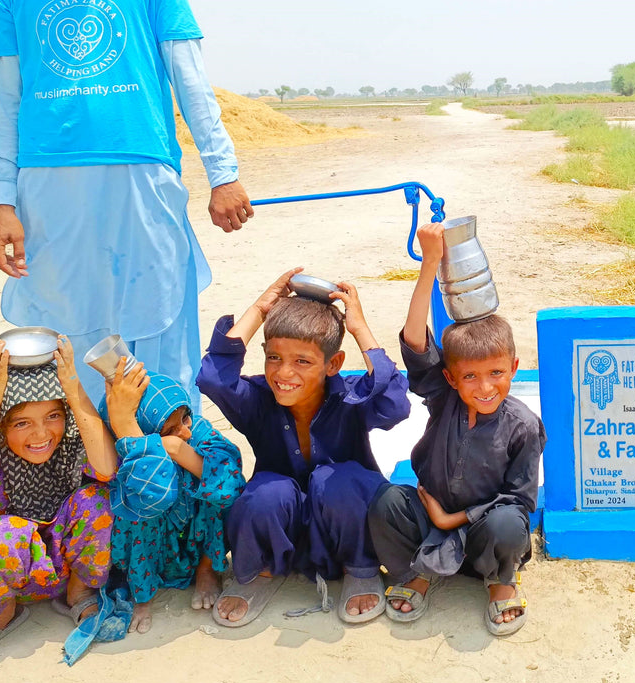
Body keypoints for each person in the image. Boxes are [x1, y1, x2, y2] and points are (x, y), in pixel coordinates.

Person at [0, 0, 252, 407]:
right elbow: (3, 98)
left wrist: (223, 171)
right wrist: (3, 200)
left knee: (157, 325)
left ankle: (169, 481)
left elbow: (189, 77)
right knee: (64, 331)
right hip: (48, 181)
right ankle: (84, 480)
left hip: (143, 173)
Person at [196, 270, 410, 627]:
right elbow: (213, 378)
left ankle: (360, 568)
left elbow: (396, 405)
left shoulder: (351, 394)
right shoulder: (259, 399)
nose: (284, 373)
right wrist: (261, 308)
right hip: (287, 528)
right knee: (266, 491)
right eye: (274, 357)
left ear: (333, 364)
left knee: (337, 480)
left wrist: (359, 328)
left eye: (303, 361)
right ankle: (259, 573)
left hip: (347, 524)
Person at [368, 222, 546, 637]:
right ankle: (419, 572)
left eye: (497, 373)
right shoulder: (444, 398)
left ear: (514, 369)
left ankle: (500, 580)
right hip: (428, 520)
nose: (485, 388)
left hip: (485, 529)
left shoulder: (523, 425)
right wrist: (429, 263)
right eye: (470, 377)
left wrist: (451, 520)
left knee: (508, 525)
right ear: (450, 378)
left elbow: (519, 502)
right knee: (387, 502)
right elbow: (414, 341)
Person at [0, 337, 117, 672]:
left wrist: (72, 387)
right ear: (0, 425)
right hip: (0, 576)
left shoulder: (72, 444)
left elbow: (107, 468)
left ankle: (80, 594)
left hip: (62, 569)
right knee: (6, 533)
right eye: (21, 422)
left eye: (54, 416)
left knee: (97, 501)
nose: (41, 434)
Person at [100, 358, 245, 633]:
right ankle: (143, 593)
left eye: (186, 417)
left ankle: (207, 569)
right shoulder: (120, 449)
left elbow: (230, 486)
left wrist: (178, 449)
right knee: (139, 504)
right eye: (171, 429)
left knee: (216, 490)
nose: (186, 431)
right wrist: (148, 446)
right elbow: (152, 494)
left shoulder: (198, 432)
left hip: (197, 536)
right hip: (151, 545)